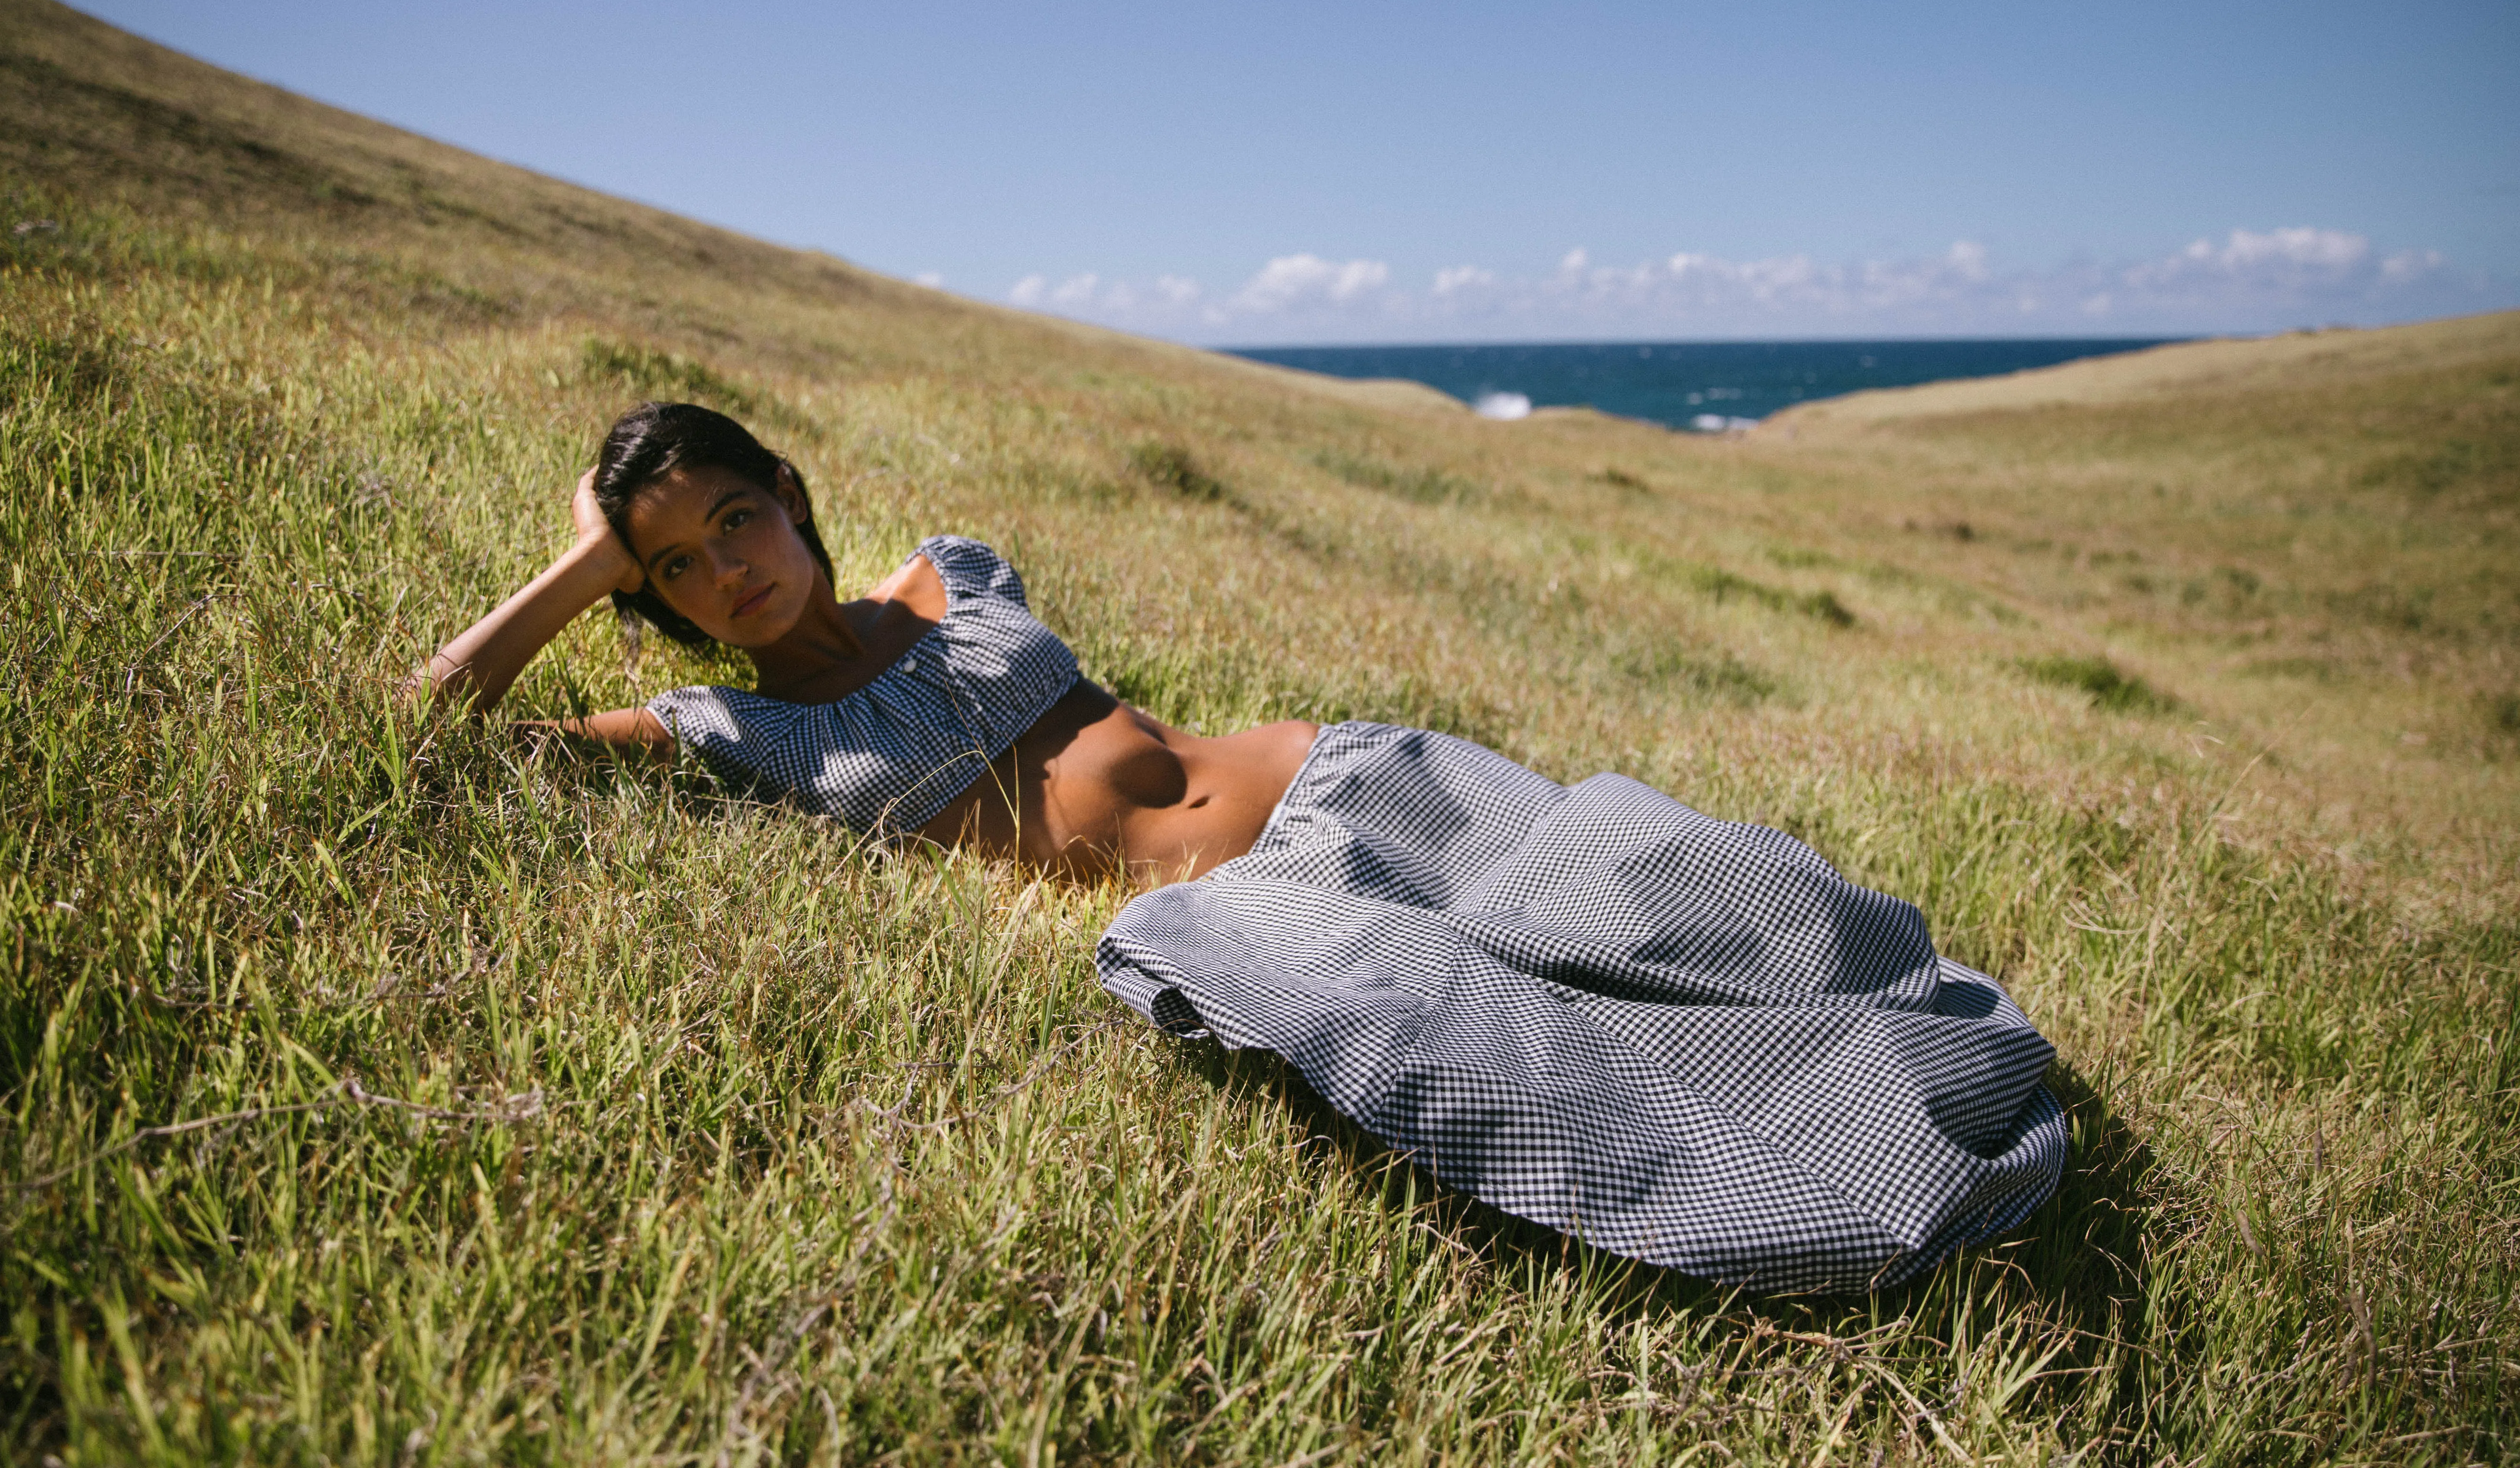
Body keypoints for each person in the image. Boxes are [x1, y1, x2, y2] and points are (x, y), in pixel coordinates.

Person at [424, 401, 2068, 1292]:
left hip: (1341, 783)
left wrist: (633, 549)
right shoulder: (728, 732)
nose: (729, 573)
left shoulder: (945, 573)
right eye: (677, 567)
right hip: (1241, 913)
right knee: (1541, 1072)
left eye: (736, 520)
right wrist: (582, 567)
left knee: (1673, 887)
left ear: (789, 494)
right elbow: (433, 727)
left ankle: (1950, 1034)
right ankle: (1885, 1185)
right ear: (649, 601)